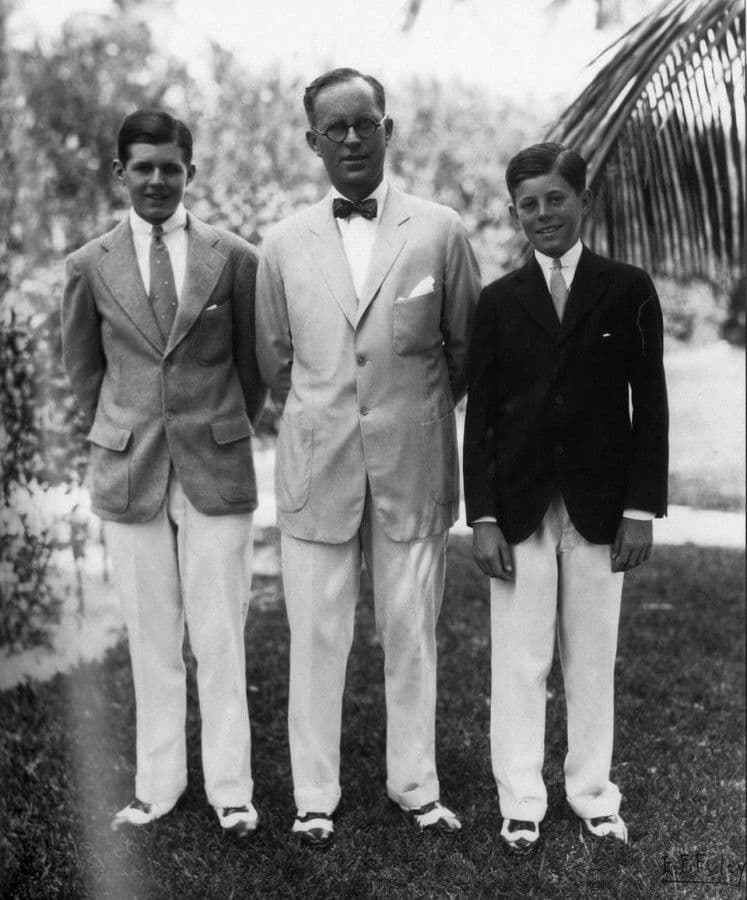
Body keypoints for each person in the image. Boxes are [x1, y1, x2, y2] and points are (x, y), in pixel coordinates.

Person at [256, 67, 480, 846]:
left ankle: (414, 786)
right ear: (312, 141)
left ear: (387, 130)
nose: (351, 138)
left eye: (364, 123)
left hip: (411, 469)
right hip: (317, 471)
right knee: (316, 637)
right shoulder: (282, 243)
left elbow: (464, 350)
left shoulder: (440, 230)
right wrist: (327, 418)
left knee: (411, 634)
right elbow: (274, 360)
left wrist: (408, 418)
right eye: (335, 128)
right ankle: (313, 796)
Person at [61, 110, 266, 837]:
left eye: (169, 167)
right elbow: (85, 372)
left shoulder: (234, 257)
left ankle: (232, 791)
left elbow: (253, 368)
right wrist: (123, 428)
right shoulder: (88, 265)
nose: (156, 179)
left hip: (216, 463)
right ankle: (158, 786)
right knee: (151, 639)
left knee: (220, 635)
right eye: (142, 167)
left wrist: (217, 422)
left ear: (190, 172)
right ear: (121, 173)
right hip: (130, 469)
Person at [463, 142, 668, 855]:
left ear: (585, 201)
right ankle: (520, 799)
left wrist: (639, 509)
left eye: (556, 199)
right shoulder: (498, 301)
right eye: (529, 204)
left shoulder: (627, 288)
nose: (543, 214)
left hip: (601, 505)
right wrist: (483, 516)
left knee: (590, 658)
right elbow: (480, 417)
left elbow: (650, 404)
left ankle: (592, 793)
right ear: (513, 212)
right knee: (520, 660)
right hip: (519, 507)